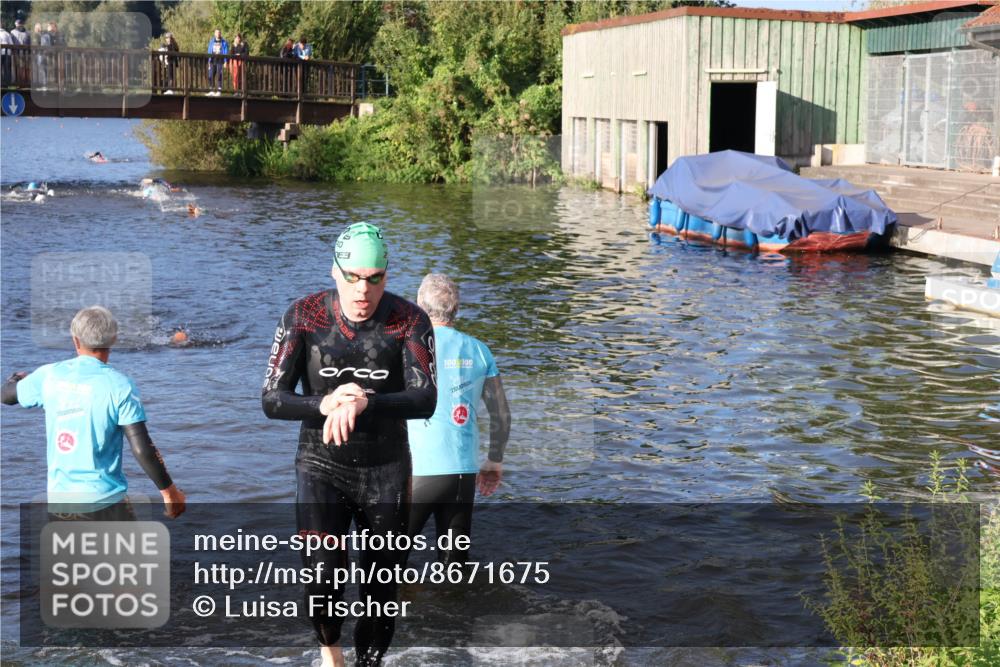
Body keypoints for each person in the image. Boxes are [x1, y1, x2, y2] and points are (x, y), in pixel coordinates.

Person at [262, 222, 436, 667]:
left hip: (386, 469)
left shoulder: (409, 320)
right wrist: (325, 403)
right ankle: (331, 653)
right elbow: (272, 400)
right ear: (335, 272)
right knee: (322, 575)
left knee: (381, 590)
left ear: (386, 276)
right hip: (321, 465)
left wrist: (365, 400)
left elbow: (425, 398)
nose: (363, 290)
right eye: (354, 277)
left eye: (374, 278)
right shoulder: (303, 317)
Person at [1, 306, 186, 520]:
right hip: (107, 505)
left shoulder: (48, 375)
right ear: (113, 339)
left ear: (75, 340)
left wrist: (14, 379)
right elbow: (141, 447)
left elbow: (6, 396)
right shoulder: (120, 385)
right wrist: (169, 493)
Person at [406, 274, 510, 564]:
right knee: (454, 566)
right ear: (457, 309)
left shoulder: (409, 347)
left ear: (418, 306)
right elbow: (501, 412)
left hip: (418, 472)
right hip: (462, 473)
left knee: (386, 563)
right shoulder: (479, 350)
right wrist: (494, 461)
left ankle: (397, 606)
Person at [206, 28, 228, 96]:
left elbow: (226, 52)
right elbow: (209, 50)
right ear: (214, 34)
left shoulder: (224, 42)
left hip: (220, 60)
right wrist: (209, 61)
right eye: (217, 33)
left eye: (219, 32)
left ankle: (219, 89)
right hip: (212, 60)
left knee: (219, 75)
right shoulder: (211, 41)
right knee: (211, 74)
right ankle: (211, 89)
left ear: (220, 33)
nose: (218, 34)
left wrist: (225, 61)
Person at [1, 20, 12, 88]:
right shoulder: (7, 33)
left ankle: (3, 83)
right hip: (7, 53)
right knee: (7, 69)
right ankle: (7, 84)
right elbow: (11, 44)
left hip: (3, 53)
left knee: (6, 69)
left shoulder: (7, 33)